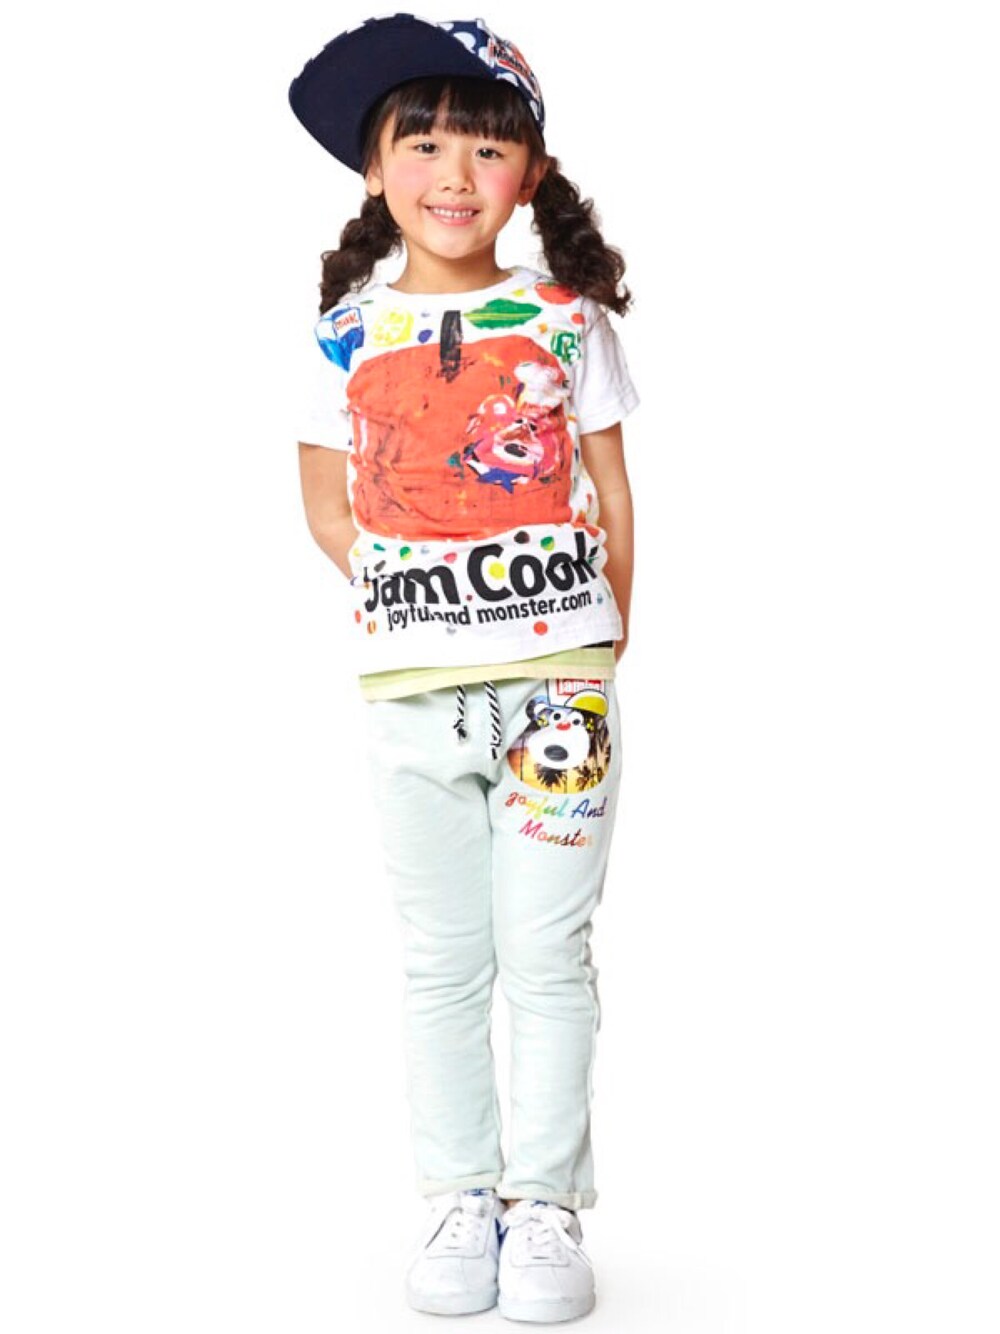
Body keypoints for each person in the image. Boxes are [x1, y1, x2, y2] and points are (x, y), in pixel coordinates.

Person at [288, 14, 640, 1324]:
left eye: (487, 148)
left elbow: (612, 490)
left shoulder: (565, 320)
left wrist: (599, 633)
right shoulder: (341, 334)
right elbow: (328, 507)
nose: (454, 172)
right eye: (424, 143)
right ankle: (460, 1194)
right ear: (376, 168)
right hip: (410, 693)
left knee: (548, 951)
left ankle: (545, 1203)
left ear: (529, 174)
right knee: (443, 957)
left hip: (563, 688)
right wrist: (415, 597)